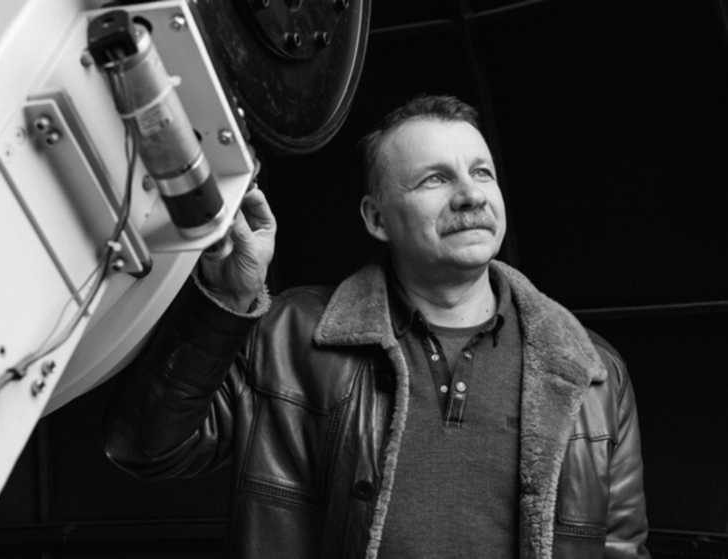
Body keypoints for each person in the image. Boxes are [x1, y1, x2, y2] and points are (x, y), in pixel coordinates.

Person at [104, 95, 650, 558]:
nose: (471, 194)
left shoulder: (591, 371)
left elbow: (622, 548)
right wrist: (226, 299)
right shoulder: (288, 335)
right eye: (436, 178)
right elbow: (145, 448)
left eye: (481, 172)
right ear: (376, 218)